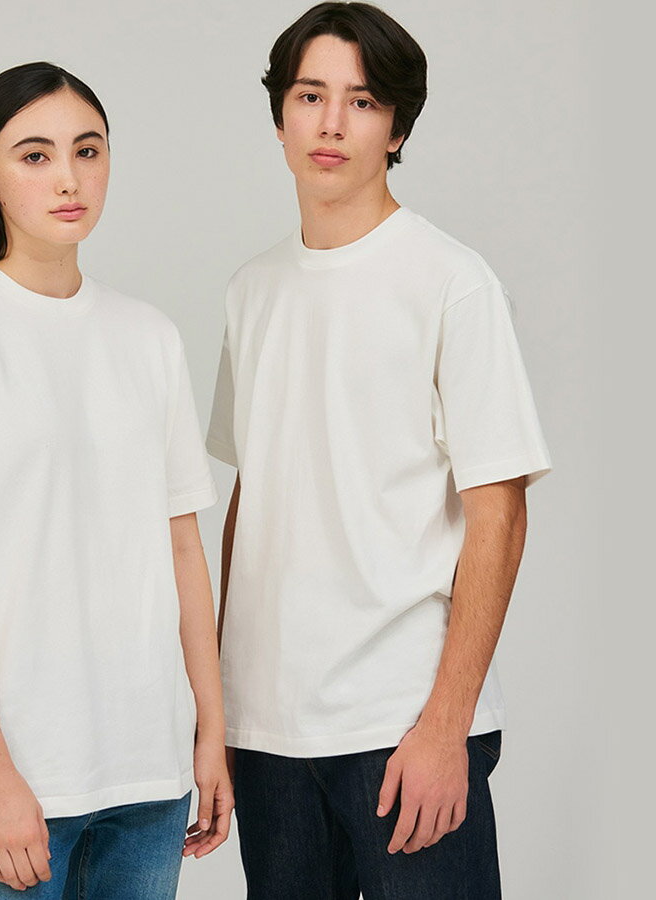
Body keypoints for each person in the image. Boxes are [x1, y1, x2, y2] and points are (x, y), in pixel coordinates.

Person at [205, 3, 552, 897]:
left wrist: (446, 725)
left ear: (396, 128)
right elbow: (254, 495)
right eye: (309, 96)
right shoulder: (251, 290)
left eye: (361, 102)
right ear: (279, 116)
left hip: (403, 725)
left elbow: (500, 514)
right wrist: (220, 710)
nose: (331, 123)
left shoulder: (452, 282)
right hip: (269, 736)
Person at [0, 61, 232, 898]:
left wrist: (210, 732)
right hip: (13, 784)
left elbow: (183, 548)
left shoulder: (148, 336)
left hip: (148, 777)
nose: (68, 178)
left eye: (87, 150)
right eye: (35, 156)